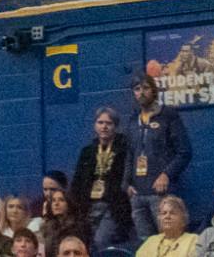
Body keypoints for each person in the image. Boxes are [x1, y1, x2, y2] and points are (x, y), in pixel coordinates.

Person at [129, 73, 193, 237]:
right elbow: (129, 154)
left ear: (154, 90)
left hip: (161, 193)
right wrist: (126, 183)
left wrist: (166, 175)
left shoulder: (168, 115)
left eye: (145, 88)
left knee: (169, 238)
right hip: (137, 194)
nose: (141, 92)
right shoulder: (133, 120)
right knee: (146, 243)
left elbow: (184, 152)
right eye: (137, 89)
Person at [72, 105, 133, 252]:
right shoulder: (87, 151)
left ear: (115, 126)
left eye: (108, 123)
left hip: (112, 206)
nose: (104, 127)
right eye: (100, 122)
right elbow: (77, 181)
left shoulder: (124, 149)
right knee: (87, 244)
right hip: (89, 205)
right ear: (95, 125)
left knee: (101, 241)